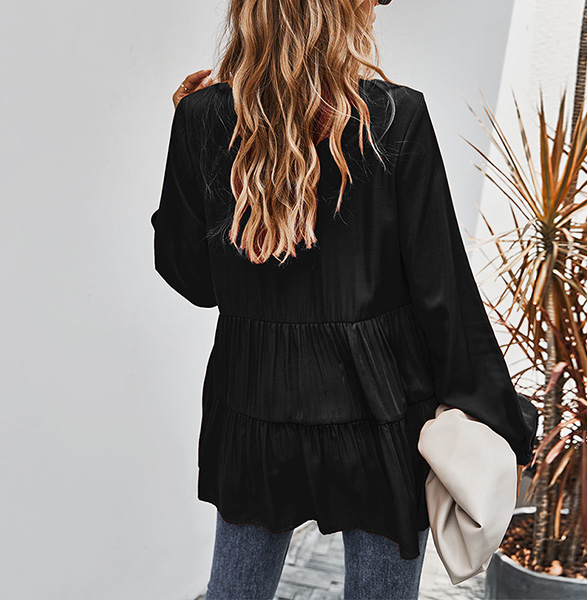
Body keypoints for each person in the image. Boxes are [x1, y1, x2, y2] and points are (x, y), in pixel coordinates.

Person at [150, 0, 538, 597]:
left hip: (254, 396)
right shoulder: (395, 115)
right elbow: (440, 286)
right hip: (381, 406)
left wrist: (188, 135)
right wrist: (496, 411)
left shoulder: (203, 116)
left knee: (234, 590)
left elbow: (193, 280)